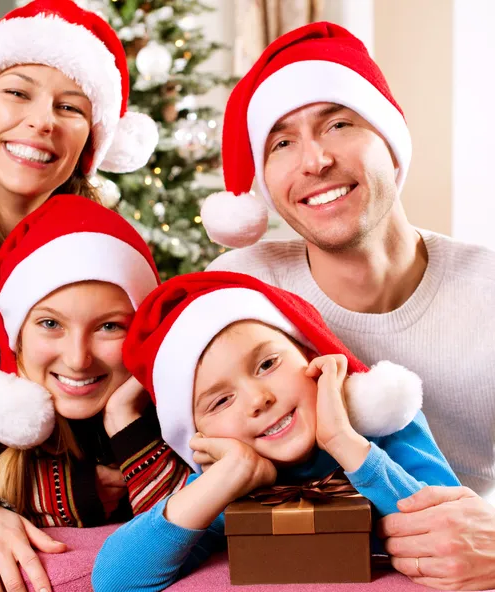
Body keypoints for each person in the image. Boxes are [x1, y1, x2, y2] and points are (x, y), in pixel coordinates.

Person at [200, 21, 495, 590]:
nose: (313, 162)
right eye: (281, 142)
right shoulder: (239, 288)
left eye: (338, 123)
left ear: (390, 140)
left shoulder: (487, 291)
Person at [0, 1, 174, 591]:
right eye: (17, 93)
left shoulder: (114, 261)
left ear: (89, 142)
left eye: (69, 106)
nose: (42, 121)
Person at [92, 270, 460, 591]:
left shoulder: (389, 427)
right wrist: (231, 472)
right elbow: (115, 581)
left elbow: (452, 535)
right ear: (201, 436)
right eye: (220, 401)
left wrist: (343, 443)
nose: (258, 399)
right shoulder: (226, 486)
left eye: (267, 364)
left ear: (310, 355)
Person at [0, 193, 191, 527]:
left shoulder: (169, 407)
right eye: (51, 324)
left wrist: (124, 416)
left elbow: (184, 531)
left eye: (109, 326)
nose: (77, 359)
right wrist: (69, 493)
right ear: (18, 332)